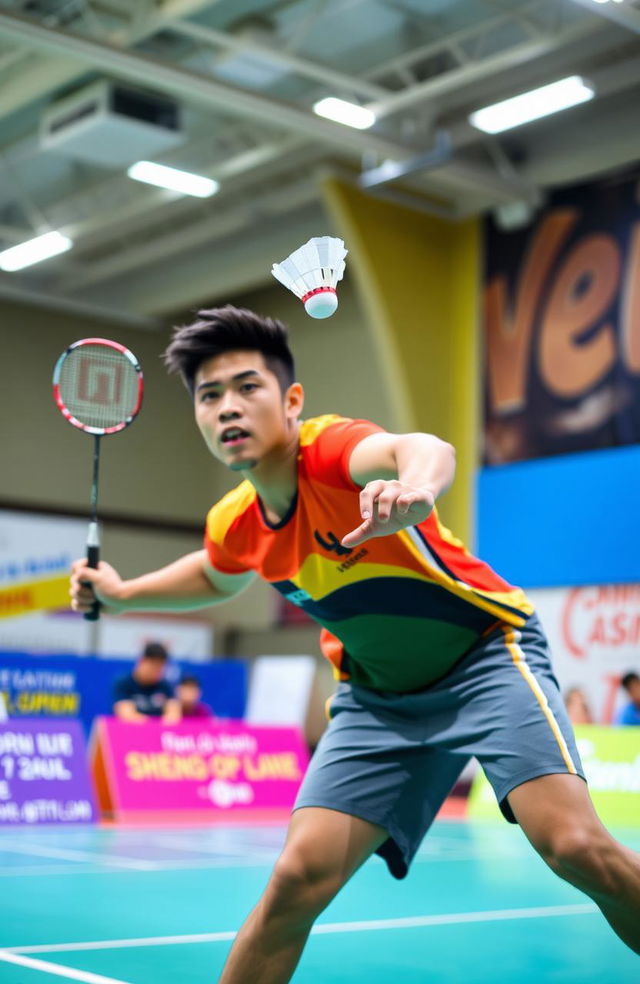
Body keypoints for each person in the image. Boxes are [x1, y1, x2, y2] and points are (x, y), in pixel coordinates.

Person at [70, 305, 640, 980]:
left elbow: (422, 448)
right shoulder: (236, 521)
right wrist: (124, 592)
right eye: (209, 394)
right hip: (377, 697)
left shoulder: (334, 452)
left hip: (484, 655)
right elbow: (215, 575)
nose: (228, 407)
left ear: (291, 400)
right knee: (296, 876)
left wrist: (415, 489)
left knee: (573, 843)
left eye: (248, 387)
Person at [112, 641, 182, 724]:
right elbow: (126, 715)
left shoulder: (165, 686)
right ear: (142, 661)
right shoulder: (123, 684)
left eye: (160, 667)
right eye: (153, 666)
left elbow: (174, 715)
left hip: (159, 734)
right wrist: (155, 724)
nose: (157, 671)